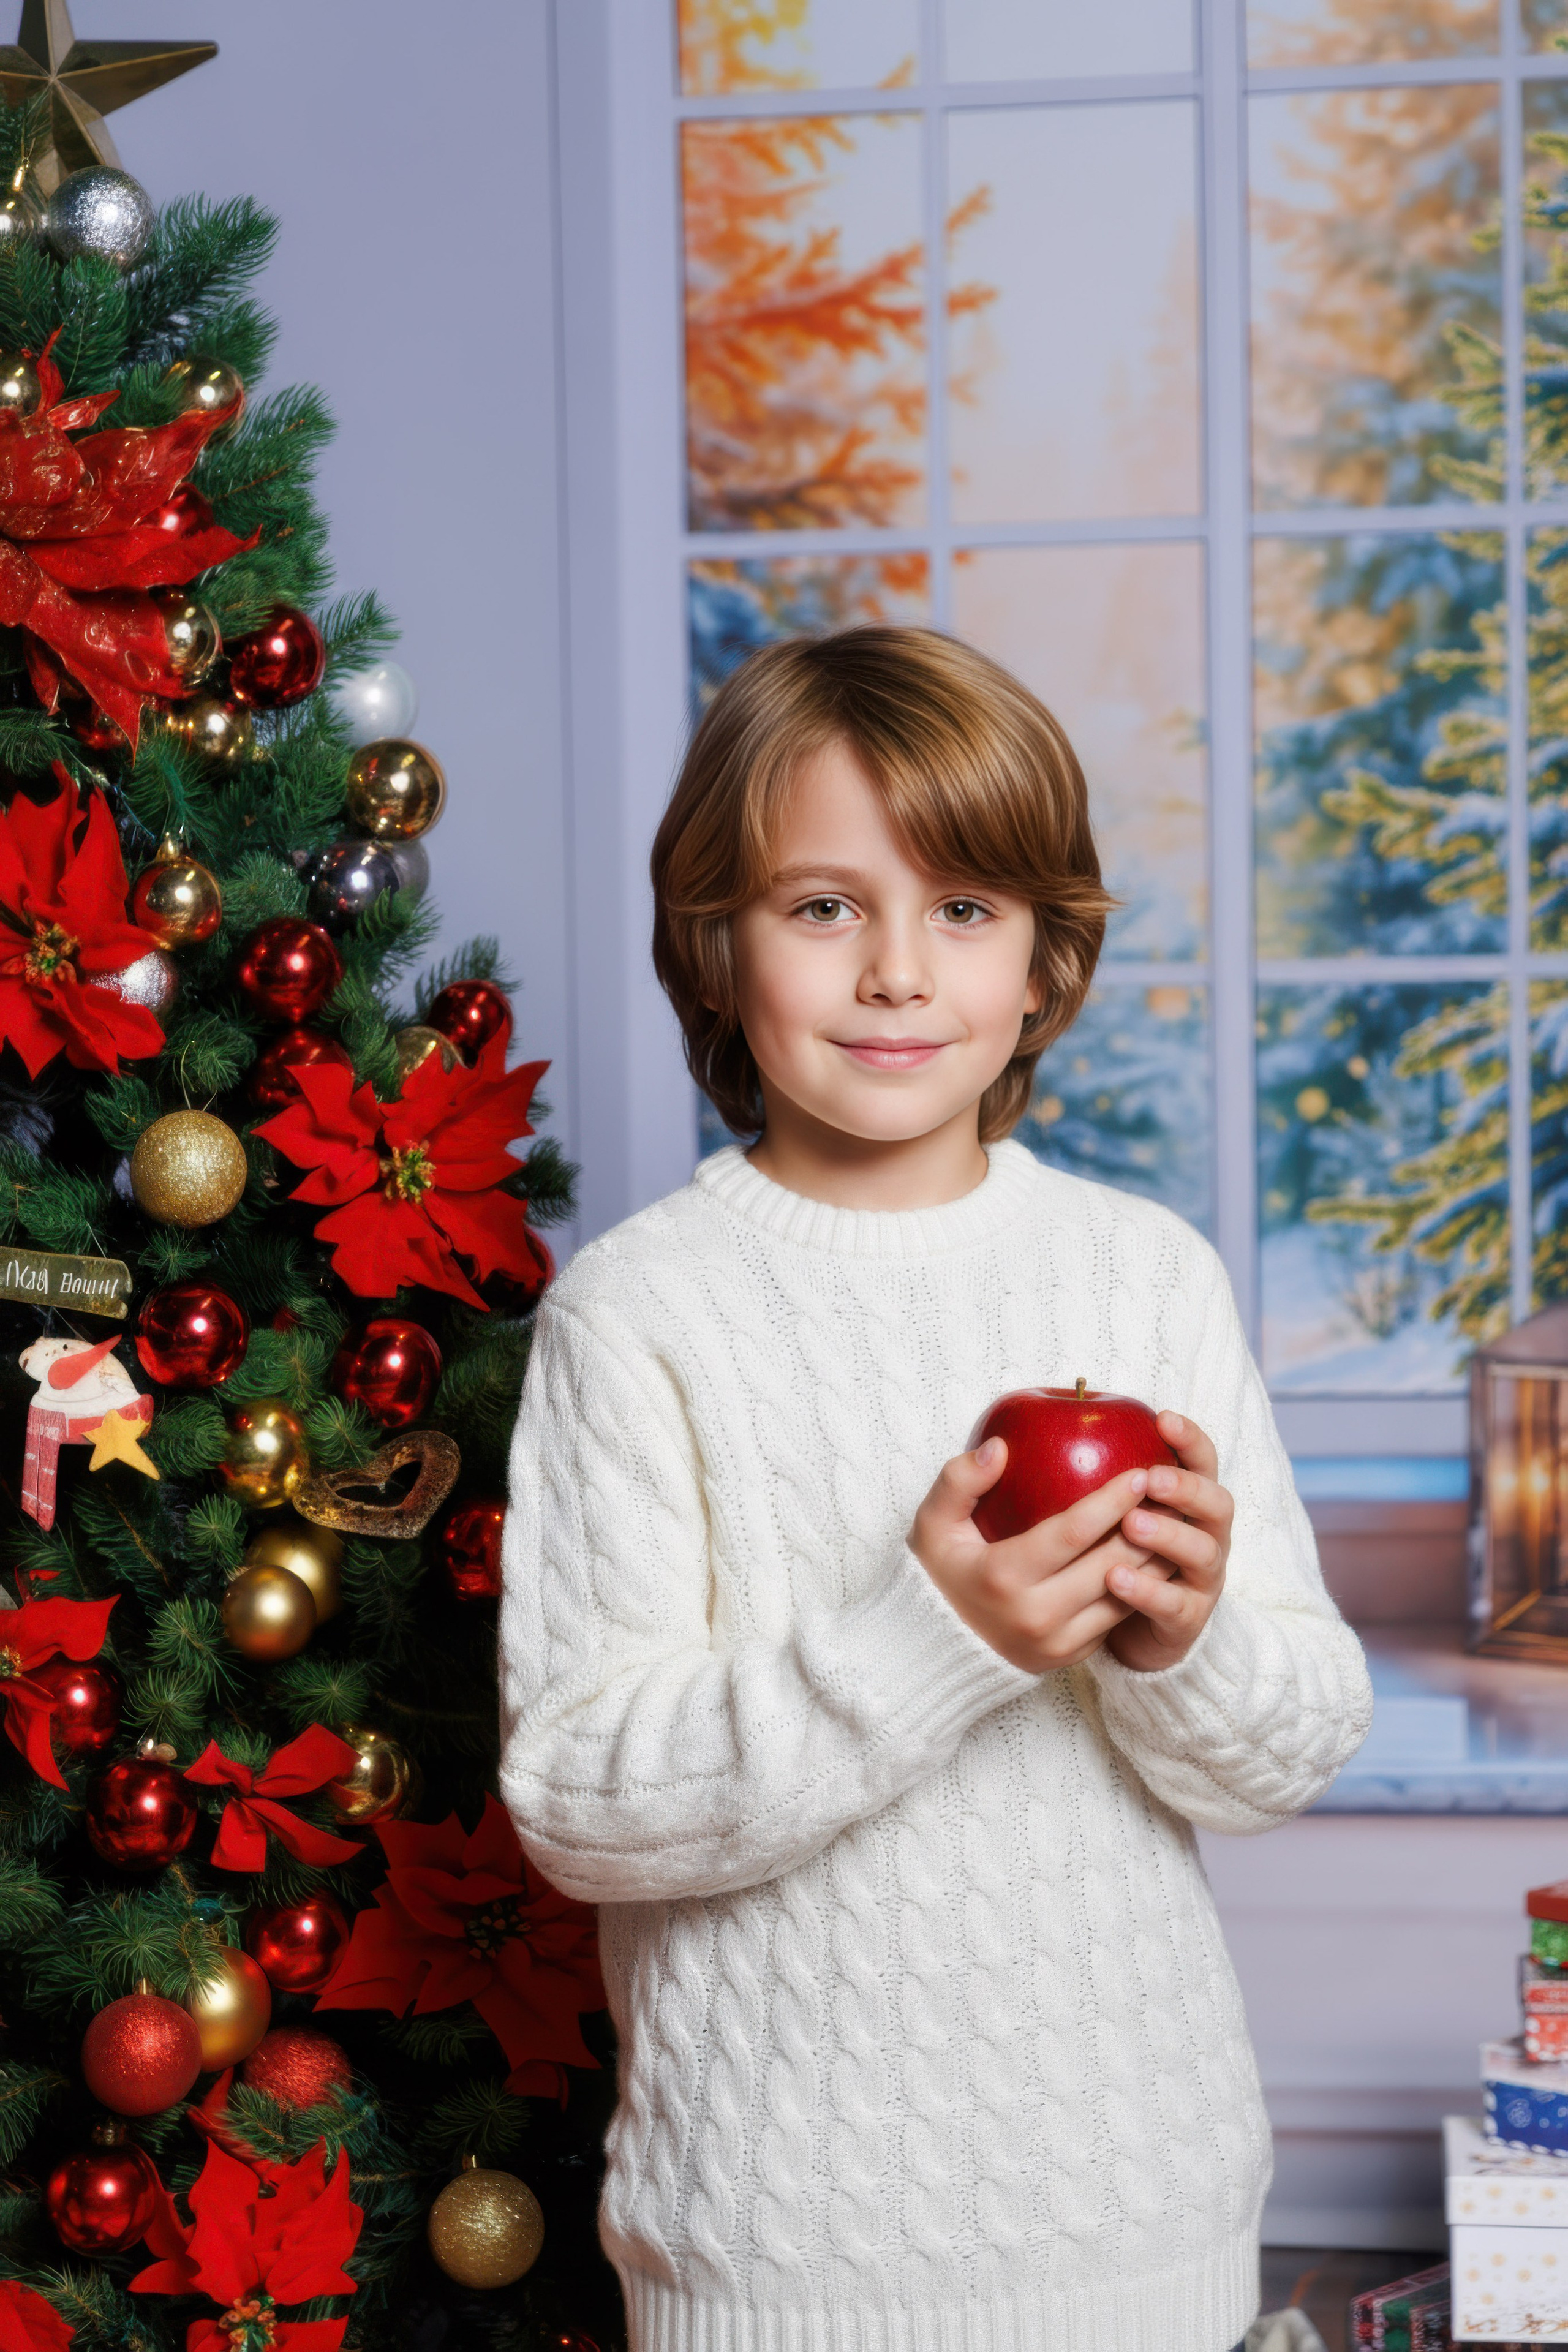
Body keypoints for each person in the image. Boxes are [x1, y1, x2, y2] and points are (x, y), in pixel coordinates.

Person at [498, 626, 1372, 2352]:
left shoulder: (1144, 1281)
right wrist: (931, 1640)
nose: (898, 971)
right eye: (824, 908)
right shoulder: (639, 1311)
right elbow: (580, 1803)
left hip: (1142, 2219)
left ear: (1046, 960)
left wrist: (1180, 1643)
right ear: (717, 943)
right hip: (774, 2261)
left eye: (965, 910)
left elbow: (1295, 1745)